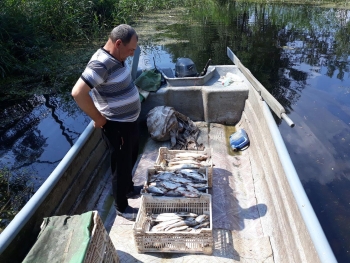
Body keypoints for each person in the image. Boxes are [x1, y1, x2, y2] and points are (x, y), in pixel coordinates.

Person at [71, 24, 142, 220]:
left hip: (129, 122)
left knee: (130, 157)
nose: (130, 54)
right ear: (118, 43)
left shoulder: (116, 57)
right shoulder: (101, 64)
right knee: (120, 164)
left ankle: (128, 188)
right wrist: (99, 119)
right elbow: (78, 93)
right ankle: (121, 206)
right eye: (130, 50)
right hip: (117, 126)